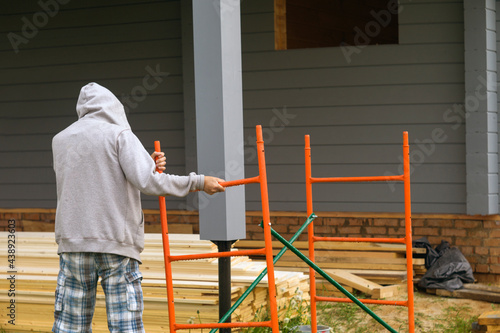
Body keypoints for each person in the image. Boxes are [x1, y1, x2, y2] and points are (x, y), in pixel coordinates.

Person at [51, 82, 225, 332]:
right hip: (116, 244)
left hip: (73, 244)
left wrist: (145, 161)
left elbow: (91, 176)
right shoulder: (119, 135)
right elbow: (148, 181)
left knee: (70, 325)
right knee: (126, 325)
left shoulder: (61, 140)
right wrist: (198, 182)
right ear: (113, 107)